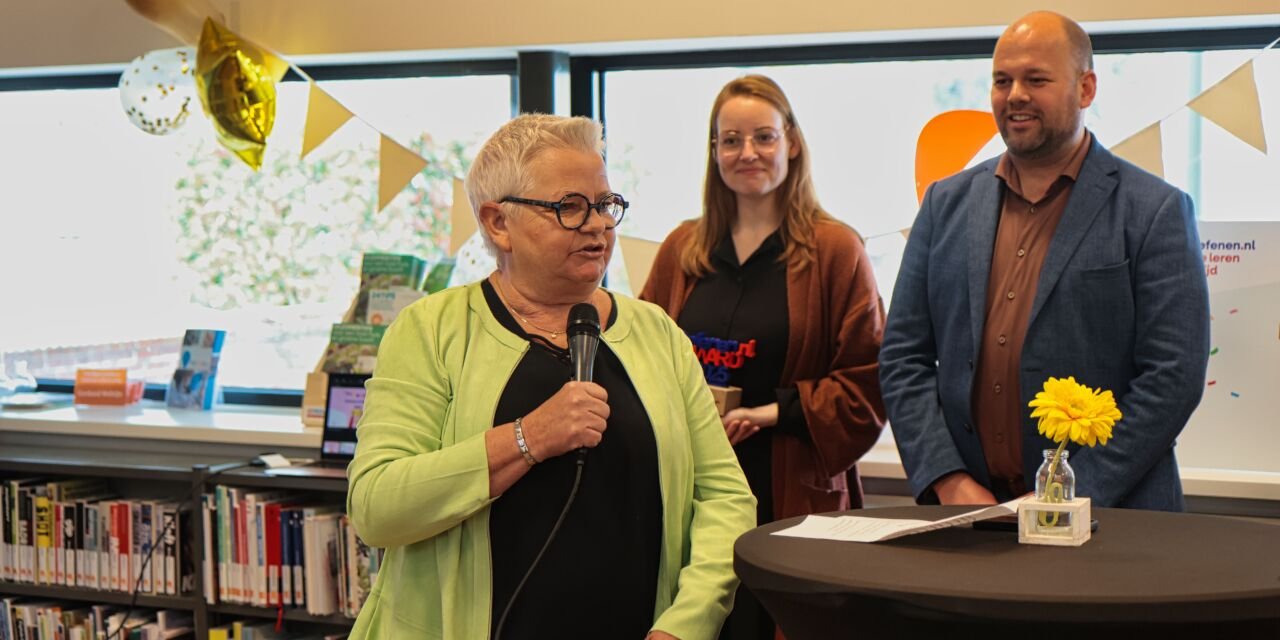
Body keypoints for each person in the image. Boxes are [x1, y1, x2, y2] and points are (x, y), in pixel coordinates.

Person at [346, 113, 756, 640]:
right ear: (498, 223)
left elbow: (725, 498)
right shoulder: (431, 331)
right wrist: (529, 437)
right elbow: (378, 507)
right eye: (569, 207)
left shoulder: (657, 332)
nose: (598, 225)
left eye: (606, 205)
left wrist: (685, 624)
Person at [879, 11, 1210, 511]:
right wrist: (947, 478)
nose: (1015, 95)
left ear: (1086, 88)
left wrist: (1066, 493)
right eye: (1002, 80)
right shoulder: (944, 204)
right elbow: (903, 358)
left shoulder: (1154, 209)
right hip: (969, 515)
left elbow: (1173, 375)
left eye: (1036, 79)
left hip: (1111, 521)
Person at [641, 75, 887, 640]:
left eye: (763, 137)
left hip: (789, 485)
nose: (747, 153)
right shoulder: (682, 249)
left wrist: (768, 413)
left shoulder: (835, 251)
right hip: (694, 487)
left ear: (792, 142)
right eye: (730, 140)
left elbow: (868, 381)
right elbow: (643, 358)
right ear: (713, 151)